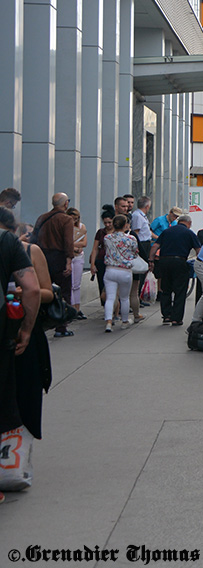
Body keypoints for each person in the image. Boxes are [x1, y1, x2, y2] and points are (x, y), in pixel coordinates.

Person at [0, 206, 52, 503]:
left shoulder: (29, 251)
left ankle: (12, 462)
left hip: (19, 332)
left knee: (20, 398)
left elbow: (44, 291)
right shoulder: (9, 245)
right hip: (11, 331)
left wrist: (26, 326)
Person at [31, 193, 75, 338]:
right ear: (65, 204)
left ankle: (41, 321)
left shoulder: (42, 218)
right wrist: (69, 261)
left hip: (42, 256)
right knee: (64, 291)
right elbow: (68, 242)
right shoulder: (66, 219)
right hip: (59, 257)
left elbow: (34, 238)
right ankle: (61, 326)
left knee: (44, 290)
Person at [153, 215, 200, 326]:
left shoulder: (167, 231)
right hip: (180, 262)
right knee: (180, 291)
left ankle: (166, 316)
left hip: (164, 262)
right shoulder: (189, 233)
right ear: (189, 223)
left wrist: (151, 260)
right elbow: (199, 250)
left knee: (165, 289)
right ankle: (176, 318)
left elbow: (155, 246)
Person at [102, 214, 138, 332]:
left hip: (110, 269)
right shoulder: (131, 239)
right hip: (125, 271)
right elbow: (134, 253)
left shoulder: (107, 238)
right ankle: (124, 321)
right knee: (124, 298)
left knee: (110, 297)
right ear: (125, 225)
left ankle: (108, 322)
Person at [129, 196, 153, 319]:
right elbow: (136, 233)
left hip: (146, 242)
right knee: (141, 271)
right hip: (142, 243)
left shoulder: (142, 216)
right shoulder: (137, 216)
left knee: (144, 272)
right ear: (147, 206)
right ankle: (136, 296)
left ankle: (138, 297)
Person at [89, 207, 115, 308]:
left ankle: (114, 306)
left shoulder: (117, 232)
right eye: (105, 223)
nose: (107, 225)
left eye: (109, 222)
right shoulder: (100, 232)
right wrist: (92, 264)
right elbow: (95, 249)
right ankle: (105, 305)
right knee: (102, 284)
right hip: (101, 261)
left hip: (113, 262)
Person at [68, 207, 87, 320]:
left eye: (76, 219)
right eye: (72, 219)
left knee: (77, 284)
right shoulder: (65, 227)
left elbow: (84, 242)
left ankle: (77, 308)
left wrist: (74, 245)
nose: (74, 221)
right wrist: (75, 246)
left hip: (78, 256)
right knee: (70, 283)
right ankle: (71, 308)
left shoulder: (81, 227)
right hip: (70, 256)